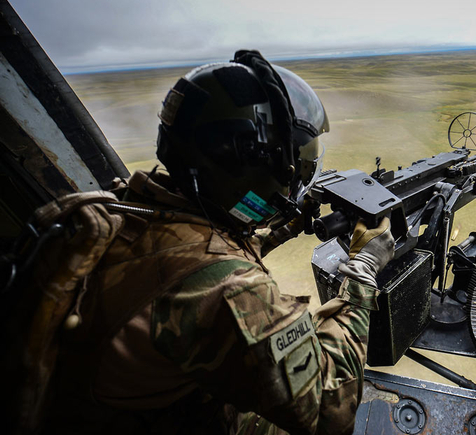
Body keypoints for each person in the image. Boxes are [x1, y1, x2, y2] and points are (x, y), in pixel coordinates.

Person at [45, 50, 395, 435]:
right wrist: (363, 270)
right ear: (253, 169)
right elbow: (329, 413)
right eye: (299, 166)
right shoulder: (230, 291)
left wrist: (290, 222)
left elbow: (202, 248)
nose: (298, 179)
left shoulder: (131, 207)